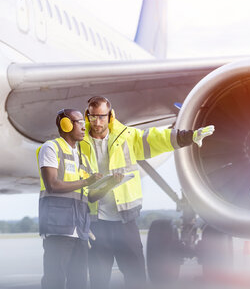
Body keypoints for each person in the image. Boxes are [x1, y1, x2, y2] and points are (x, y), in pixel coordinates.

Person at [80, 96, 215, 289]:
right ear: (87, 115)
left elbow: (157, 139)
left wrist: (190, 136)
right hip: (96, 224)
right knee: (98, 279)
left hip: (124, 221)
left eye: (101, 117)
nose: (97, 122)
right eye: (92, 117)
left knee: (136, 277)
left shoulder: (126, 136)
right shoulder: (79, 142)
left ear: (110, 116)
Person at [37, 108, 121, 289]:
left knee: (79, 282)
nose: (85, 127)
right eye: (80, 123)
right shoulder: (51, 148)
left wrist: (109, 185)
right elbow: (52, 184)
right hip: (58, 228)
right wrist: (86, 181)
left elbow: (89, 197)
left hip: (80, 230)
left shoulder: (80, 156)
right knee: (55, 281)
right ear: (66, 125)